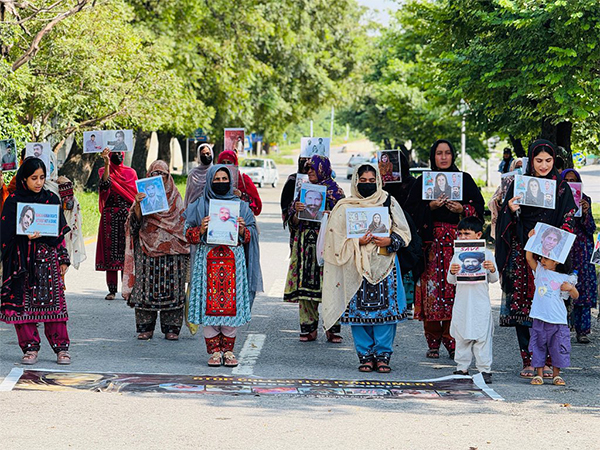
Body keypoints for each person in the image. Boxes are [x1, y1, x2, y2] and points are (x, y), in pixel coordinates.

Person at [495, 139, 577, 379]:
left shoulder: (561, 187)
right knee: (524, 304)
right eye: (539, 160)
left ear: (554, 162)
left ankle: (551, 361)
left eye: (548, 161)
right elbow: (508, 220)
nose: (543, 165)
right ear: (532, 161)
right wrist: (511, 209)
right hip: (525, 252)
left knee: (551, 303)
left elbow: (569, 217)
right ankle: (529, 360)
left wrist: (550, 239)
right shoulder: (519, 184)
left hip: (551, 256)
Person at [322, 163, 411, 372]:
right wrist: (357, 242)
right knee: (358, 313)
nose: (368, 185)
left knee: (385, 314)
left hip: (385, 264)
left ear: (378, 181)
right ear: (356, 182)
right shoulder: (345, 206)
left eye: (372, 181)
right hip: (355, 266)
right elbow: (334, 240)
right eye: (363, 181)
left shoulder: (388, 201)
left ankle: (382, 356)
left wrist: (389, 241)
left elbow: (404, 232)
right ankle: (365, 356)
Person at [405, 139, 484, 359]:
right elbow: (409, 213)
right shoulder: (422, 182)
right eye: (439, 153)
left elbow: (479, 208)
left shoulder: (465, 181)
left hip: (457, 246)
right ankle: (432, 340)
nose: (443, 157)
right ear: (433, 156)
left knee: (455, 292)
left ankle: (452, 340)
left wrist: (462, 209)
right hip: (430, 247)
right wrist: (428, 207)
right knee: (431, 292)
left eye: (447, 153)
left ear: (453, 156)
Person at [184, 164, 263, 367]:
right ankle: (214, 352)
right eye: (216, 180)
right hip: (206, 264)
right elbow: (187, 234)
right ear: (209, 181)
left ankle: (228, 351)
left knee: (231, 307)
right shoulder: (199, 205)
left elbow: (250, 235)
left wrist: (243, 230)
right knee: (208, 307)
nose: (221, 183)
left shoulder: (241, 207)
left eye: (224, 179)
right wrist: (200, 229)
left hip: (233, 265)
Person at [0, 157, 72, 365]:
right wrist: (24, 236)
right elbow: (4, 235)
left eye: (41, 178)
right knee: (22, 306)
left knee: (54, 306)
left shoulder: (51, 199)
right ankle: (30, 348)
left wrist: (63, 259)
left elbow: (59, 233)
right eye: (34, 178)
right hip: (21, 263)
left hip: (47, 262)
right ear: (24, 178)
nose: (39, 182)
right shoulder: (13, 201)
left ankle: (61, 349)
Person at [123, 160, 190, 341]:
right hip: (147, 248)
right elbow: (134, 225)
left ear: (168, 177)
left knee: (174, 290)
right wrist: (137, 204)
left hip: (173, 253)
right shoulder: (143, 197)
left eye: (162, 175)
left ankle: (172, 328)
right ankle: (146, 327)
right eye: (154, 175)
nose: (158, 178)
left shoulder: (176, 199)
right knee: (145, 290)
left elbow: (183, 226)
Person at [284, 155, 345, 342]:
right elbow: (292, 221)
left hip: (328, 244)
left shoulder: (337, 192)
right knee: (305, 286)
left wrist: (330, 215)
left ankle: (332, 328)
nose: (309, 172)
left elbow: (344, 218)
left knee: (330, 285)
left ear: (322, 169)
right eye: (307, 168)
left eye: (312, 168)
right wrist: (297, 210)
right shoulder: (303, 190)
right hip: (305, 245)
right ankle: (308, 327)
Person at [447, 217, 498, 384]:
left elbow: (494, 278)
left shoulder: (487, 254)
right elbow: (450, 280)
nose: (462, 237)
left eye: (466, 234)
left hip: (480, 303)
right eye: (460, 234)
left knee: (482, 336)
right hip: (462, 302)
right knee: (461, 334)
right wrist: (453, 271)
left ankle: (484, 369)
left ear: (478, 235)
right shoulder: (457, 255)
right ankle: (462, 367)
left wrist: (491, 268)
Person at [525, 250, 578, 386]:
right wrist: (532, 240)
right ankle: (539, 374)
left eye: (546, 259)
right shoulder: (540, 271)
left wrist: (570, 288)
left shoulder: (566, 278)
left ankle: (556, 375)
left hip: (558, 319)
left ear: (557, 261)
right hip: (539, 317)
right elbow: (529, 258)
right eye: (542, 258)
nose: (542, 260)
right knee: (538, 346)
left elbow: (576, 295)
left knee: (558, 347)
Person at [96, 148, 138, 300]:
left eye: (121, 153)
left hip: (127, 216)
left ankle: (127, 289)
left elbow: (135, 195)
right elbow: (105, 185)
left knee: (127, 252)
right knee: (111, 254)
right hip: (110, 217)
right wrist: (107, 164)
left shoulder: (131, 173)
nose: (118, 156)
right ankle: (112, 290)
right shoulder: (103, 170)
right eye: (115, 153)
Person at [562, 169, 597, 343]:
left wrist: (586, 212)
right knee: (560, 287)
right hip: (563, 248)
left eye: (573, 180)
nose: (569, 182)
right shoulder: (557, 199)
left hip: (582, 249)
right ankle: (561, 329)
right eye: (566, 180)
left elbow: (591, 228)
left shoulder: (585, 200)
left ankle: (582, 331)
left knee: (582, 289)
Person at [45, 151, 87, 270]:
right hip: (35, 236)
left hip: (58, 233)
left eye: (50, 162)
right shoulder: (27, 185)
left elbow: (69, 207)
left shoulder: (59, 183)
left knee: (58, 271)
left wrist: (66, 188)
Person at [217, 150, 262, 215]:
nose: (226, 165)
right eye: (223, 162)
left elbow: (255, 203)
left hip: (241, 218)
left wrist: (241, 195)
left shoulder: (244, 180)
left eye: (229, 162)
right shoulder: (214, 180)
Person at [489, 158, 523, 240]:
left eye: (522, 167)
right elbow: (492, 203)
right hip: (509, 223)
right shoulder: (505, 184)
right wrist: (499, 201)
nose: (520, 169)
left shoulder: (531, 184)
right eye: (517, 167)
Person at [280, 156, 310, 249]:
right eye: (303, 161)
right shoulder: (293, 179)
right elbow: (285, 201)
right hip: (298, 228)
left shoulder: (327, 185)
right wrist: (294, 209)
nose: (308, 170)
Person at [184, 144, 213, 208]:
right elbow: (188, 193)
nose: (206, 156)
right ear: (199, 156)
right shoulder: (193, 173)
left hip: (210, 209)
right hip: (194, 209)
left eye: (208, 153)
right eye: (203, 154)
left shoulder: (215, 172)